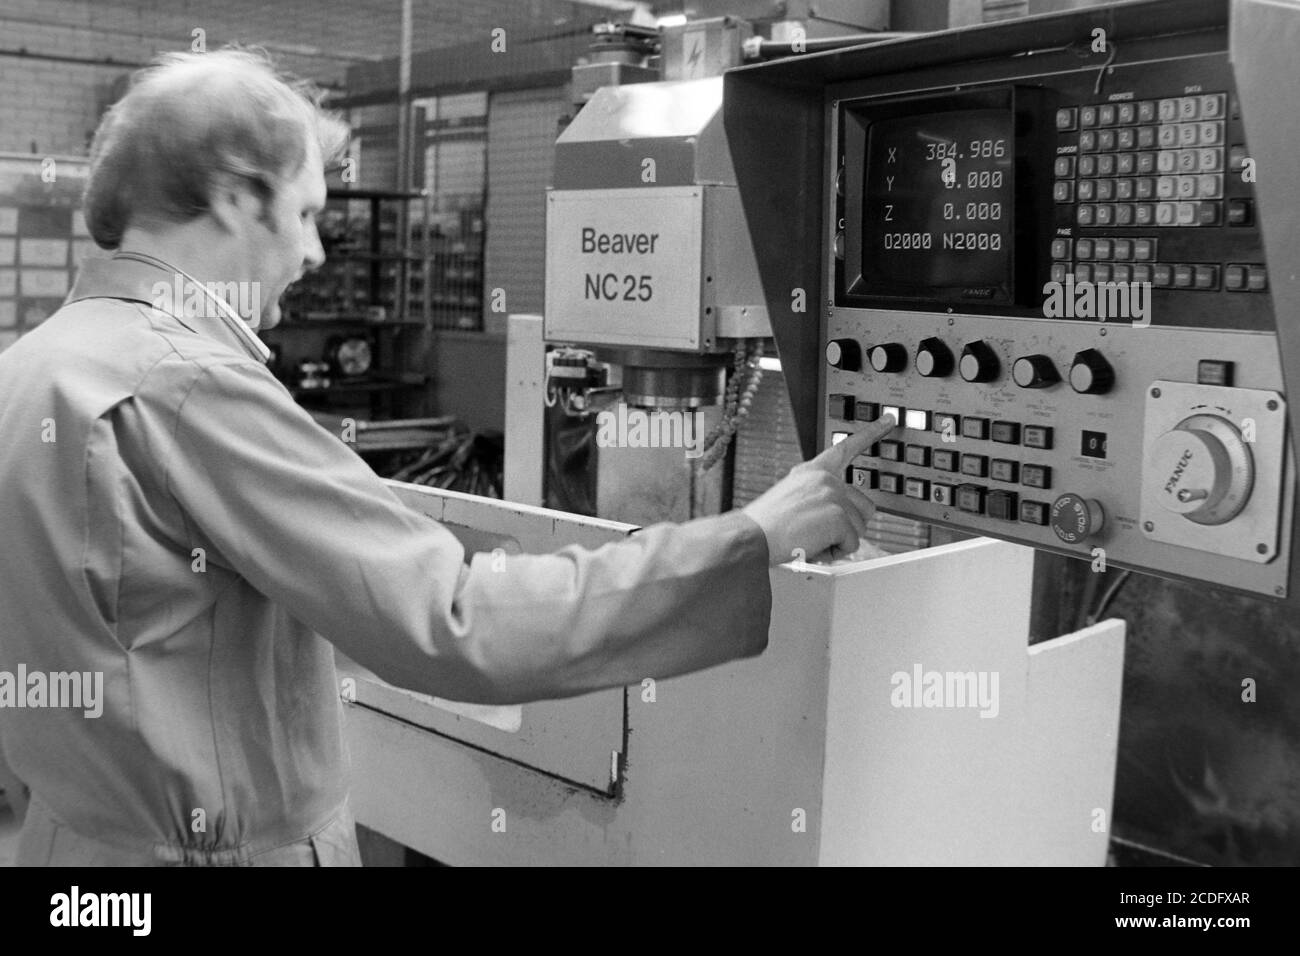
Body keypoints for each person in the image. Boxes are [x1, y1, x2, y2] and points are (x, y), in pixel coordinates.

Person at [0, 49, 891, 866]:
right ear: (237, 196)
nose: (312, 251)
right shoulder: (190, 386)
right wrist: (754, 538)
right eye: (306, 212)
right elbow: (453, 617)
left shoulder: (31, 369)